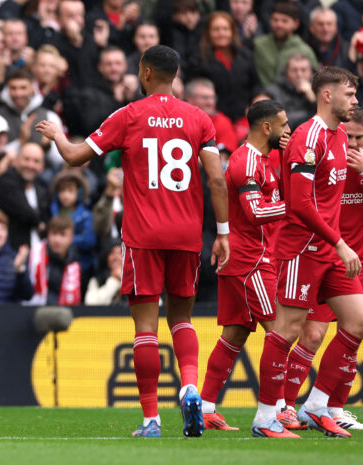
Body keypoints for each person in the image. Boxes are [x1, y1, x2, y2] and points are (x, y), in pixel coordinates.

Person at [36, 45, 229, 438]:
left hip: (143, 237)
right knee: (182, 319)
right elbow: (218, 179)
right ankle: (190, 386)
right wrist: (223, 233)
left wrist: (57, 134)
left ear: (143, 73)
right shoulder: (199, 119)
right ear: (174, 75)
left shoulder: (128, 115)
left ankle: (151, 419)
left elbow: (75, 157)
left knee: (145, 328)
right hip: (187, 235)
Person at [251, 66, 362, 439]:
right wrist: (340, 242)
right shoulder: (307, 137)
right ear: (327, 95)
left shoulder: (340, 134)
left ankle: (315, 405)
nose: (355, 100)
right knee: (289, 329)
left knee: (357, 322)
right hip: (302, 247)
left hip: (329, 248)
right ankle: (266, 416)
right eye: (349, 94)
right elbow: (299, 204)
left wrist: (336, 244)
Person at [199, 100, 290, 431]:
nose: (288, 130)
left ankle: (205, 407)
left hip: (249, 258)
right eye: (284, 124)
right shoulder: (246, 162)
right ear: (267, 127)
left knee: (234, 335)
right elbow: (253, 214)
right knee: (280, 331)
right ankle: (277, 411)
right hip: (249, 262)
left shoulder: (264, 160)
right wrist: (295, 206)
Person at [279, 106, 363, 432]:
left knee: (354, 330)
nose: (354, 144)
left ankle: (330, 406)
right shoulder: (326, 156)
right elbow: (297, 196)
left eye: (360, 138)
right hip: (317, 254)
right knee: (310, 334)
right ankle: (285, 405)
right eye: (350, 137)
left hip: (352, 261)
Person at [186, 11, 259, 122]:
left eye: (225, 29)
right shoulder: (198, 59)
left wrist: (258, 99)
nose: (221, 33)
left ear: (232, 32)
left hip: (244, 118)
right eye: (216, 29)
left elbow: (256, 85)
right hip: (212, 119)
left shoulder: (245, 55)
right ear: (208, 32)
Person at [0, 142, 49, 250]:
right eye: (26, 159)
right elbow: (24, 211)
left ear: (42, 166)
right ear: (16, 161)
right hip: (8, 257)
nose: (31, 165)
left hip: (38, 257)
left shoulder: (42, 189)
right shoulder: (5, 181)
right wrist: (39, 223)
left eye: (36, 161)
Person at [253, 2, 317, 87]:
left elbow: (314, 81)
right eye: (275, 20)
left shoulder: (305, 51)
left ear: (296, 24)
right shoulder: (258, 45)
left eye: (284, 21)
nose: (279, 25)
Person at [28, 215, 82, 305]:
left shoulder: (76, 263)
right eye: (54, 233)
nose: (57, 240)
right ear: (48, 234)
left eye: (62, 234)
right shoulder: (34, 255)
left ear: (71, 237)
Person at [0, 211, 33, 304]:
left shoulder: (16, 257)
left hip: (10, 315)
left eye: (3, 229)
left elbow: (27, 295)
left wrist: (20, 269)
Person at [266, 53, 317, 131]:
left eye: (303, 70)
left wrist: (313, 97)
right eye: (294, 70)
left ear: (310, 71)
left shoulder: (319, 89)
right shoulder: (274, 91)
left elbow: (327, 117)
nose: (299, 74)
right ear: (286, 72)